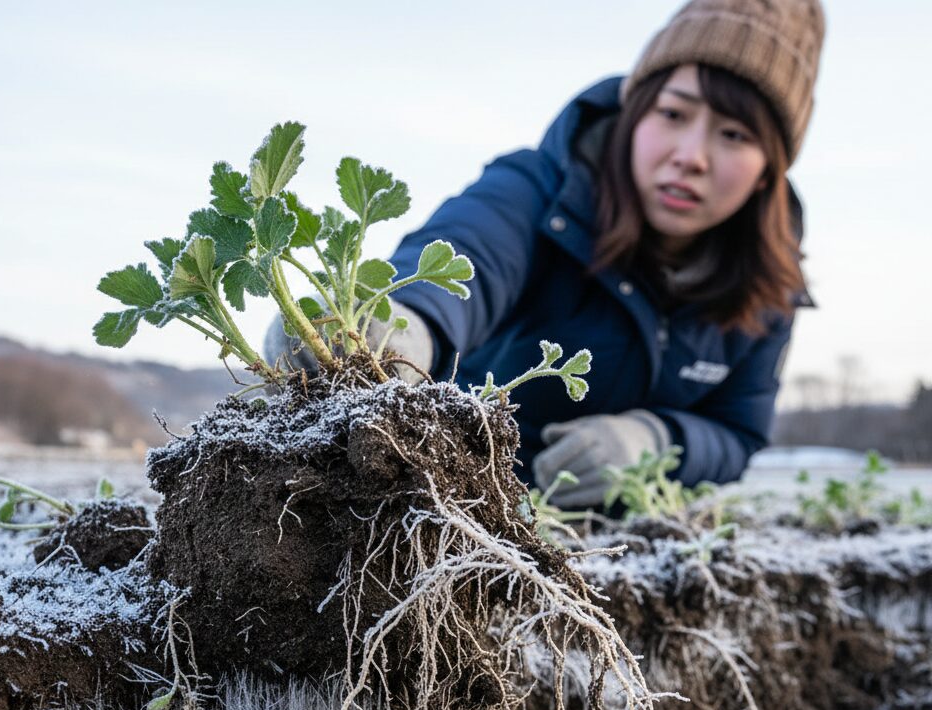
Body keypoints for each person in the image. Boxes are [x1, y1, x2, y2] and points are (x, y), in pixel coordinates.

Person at [265, 0, 825, 508]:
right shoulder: (537, 189)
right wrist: (403, 323)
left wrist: (655, 440)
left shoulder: (769, 285)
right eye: (673, 114)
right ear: (634, 114)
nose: (692, 156)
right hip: (457, 507)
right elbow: (471, 251)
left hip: (615, 551)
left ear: (766, 173)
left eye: (734, 135)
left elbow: (737, 432)